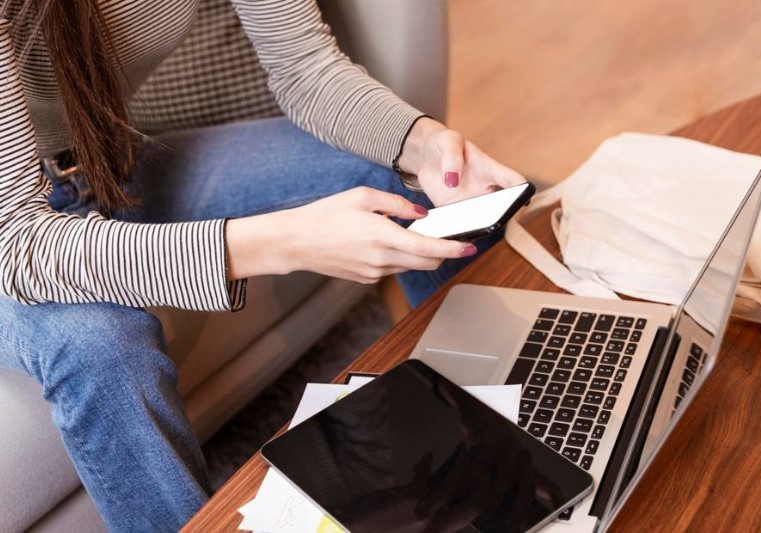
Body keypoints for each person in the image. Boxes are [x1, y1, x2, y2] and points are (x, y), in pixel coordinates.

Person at [0, 0, 526, 530]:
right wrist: (283, 241)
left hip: (106, 165)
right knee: (101, 342)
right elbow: (21, 243)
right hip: (13, 230)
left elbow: (305, 68)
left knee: (390, 177)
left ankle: (512, 422)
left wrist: (423, 143)